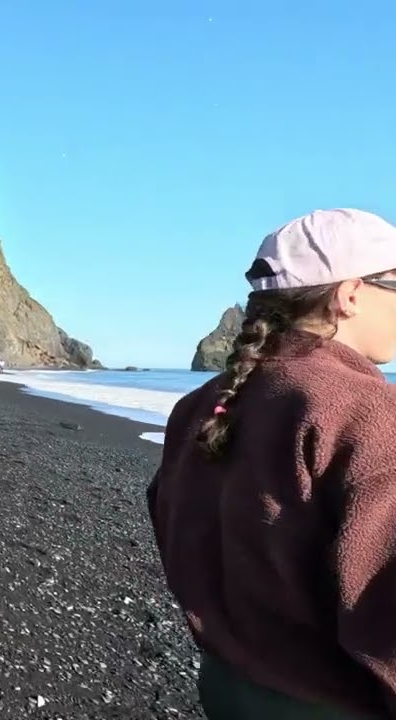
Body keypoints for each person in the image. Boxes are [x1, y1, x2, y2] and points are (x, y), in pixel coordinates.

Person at [148, 208, 396, 720]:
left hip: (227, 685)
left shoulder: (200, 405)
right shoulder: (365, 410)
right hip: (333, 703)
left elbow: (174, 531)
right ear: (350, 295)